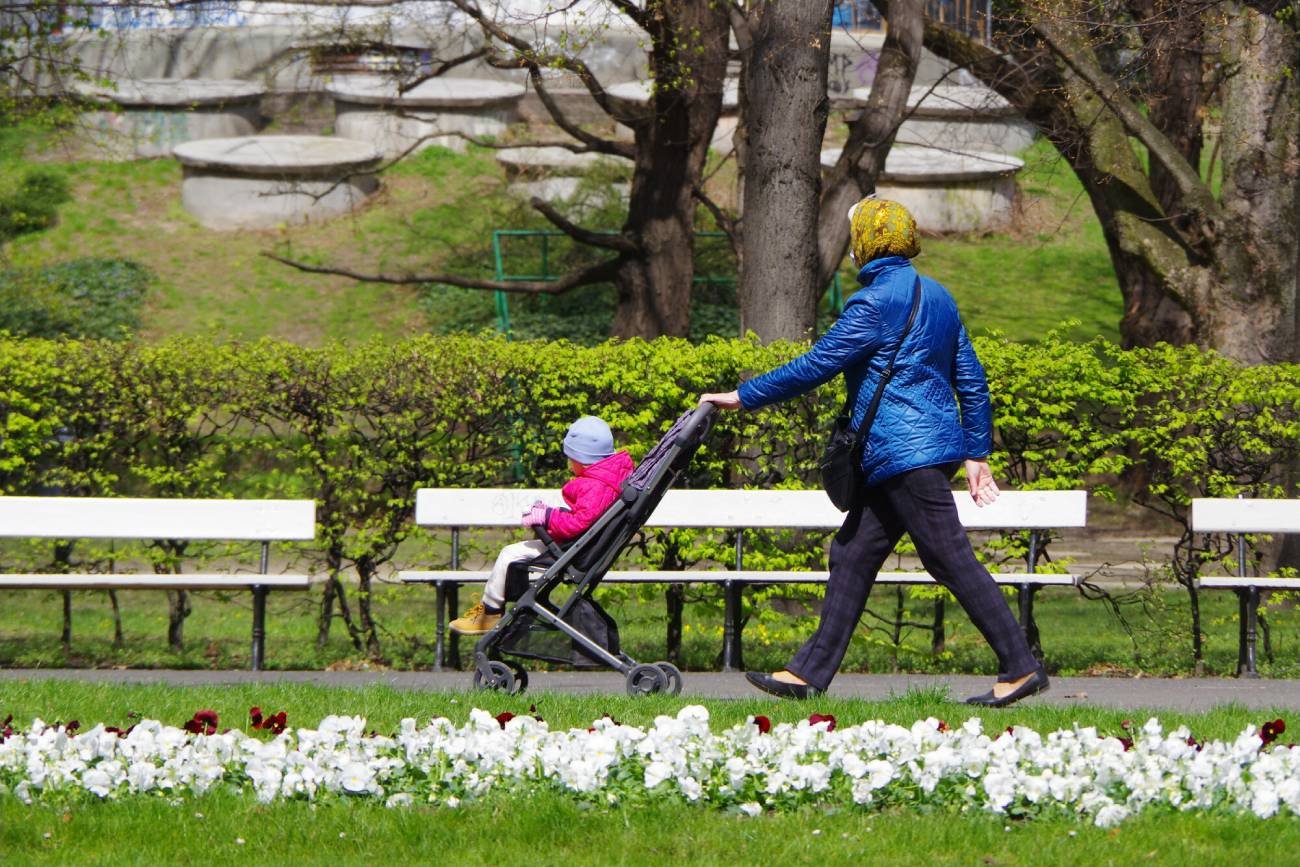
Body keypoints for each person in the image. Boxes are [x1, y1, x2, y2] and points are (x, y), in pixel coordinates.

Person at [700, 197, 1048, 707]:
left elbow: (818, 364)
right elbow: (971, 379)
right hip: (918, 454)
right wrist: (976, 452)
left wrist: (743, 395)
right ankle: (806, 674)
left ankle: (1020, 666)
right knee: (853, 553)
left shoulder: (873, 303)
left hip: (903, 454)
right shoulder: (939, 296)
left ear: (865, 244)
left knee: (950, 558)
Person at [449, 415, 635, 635]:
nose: (569, 464)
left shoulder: (594, 485)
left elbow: (579, 522)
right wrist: (552, 514)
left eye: (570, 459)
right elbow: (587, 518)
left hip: (574, 552)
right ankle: (510, 608)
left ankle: (490, 613)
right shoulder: (611, 478)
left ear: (582, 459)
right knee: (515, 553)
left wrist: (546, 517)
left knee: (509, 554)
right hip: (583, 547)